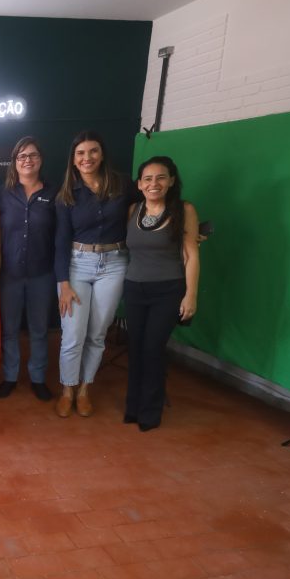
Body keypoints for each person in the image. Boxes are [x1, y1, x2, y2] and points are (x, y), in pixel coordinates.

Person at [55, 131, 137, 418]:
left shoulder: (123, 184)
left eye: (93, 151)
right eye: (80, 153)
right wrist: (63, 284)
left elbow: (153, 204)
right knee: (72, 335)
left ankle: (84, 390)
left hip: (114, 263)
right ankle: (67, 390)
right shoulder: (67, 195)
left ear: (102, 155)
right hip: (77, 265)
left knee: (97, 334)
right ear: (73, 159)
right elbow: (60, 241)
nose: (87, 157)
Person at [124, 156, 200, 431]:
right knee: (135, 348)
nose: (153, 183)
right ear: (139, 184)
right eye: (147, 178)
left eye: (160, 177)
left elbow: (191, 255)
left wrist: (191, 295)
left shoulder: (183, 210)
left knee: (153, 349)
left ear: (171, 181)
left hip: (167, 290)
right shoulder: (133, 210)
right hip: (134, 288)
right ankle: (132, 407)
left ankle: (150, 411)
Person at [0, 136, 58, 401]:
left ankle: (38, 378)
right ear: (14, 162)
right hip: (9, 274)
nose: (27, 160)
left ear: (40, 159)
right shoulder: (3, 194)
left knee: (39, 329)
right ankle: (10, 376)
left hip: (42, 273)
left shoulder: (54, 193)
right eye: (22, 156)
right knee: (9, 329)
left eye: (32, 155)